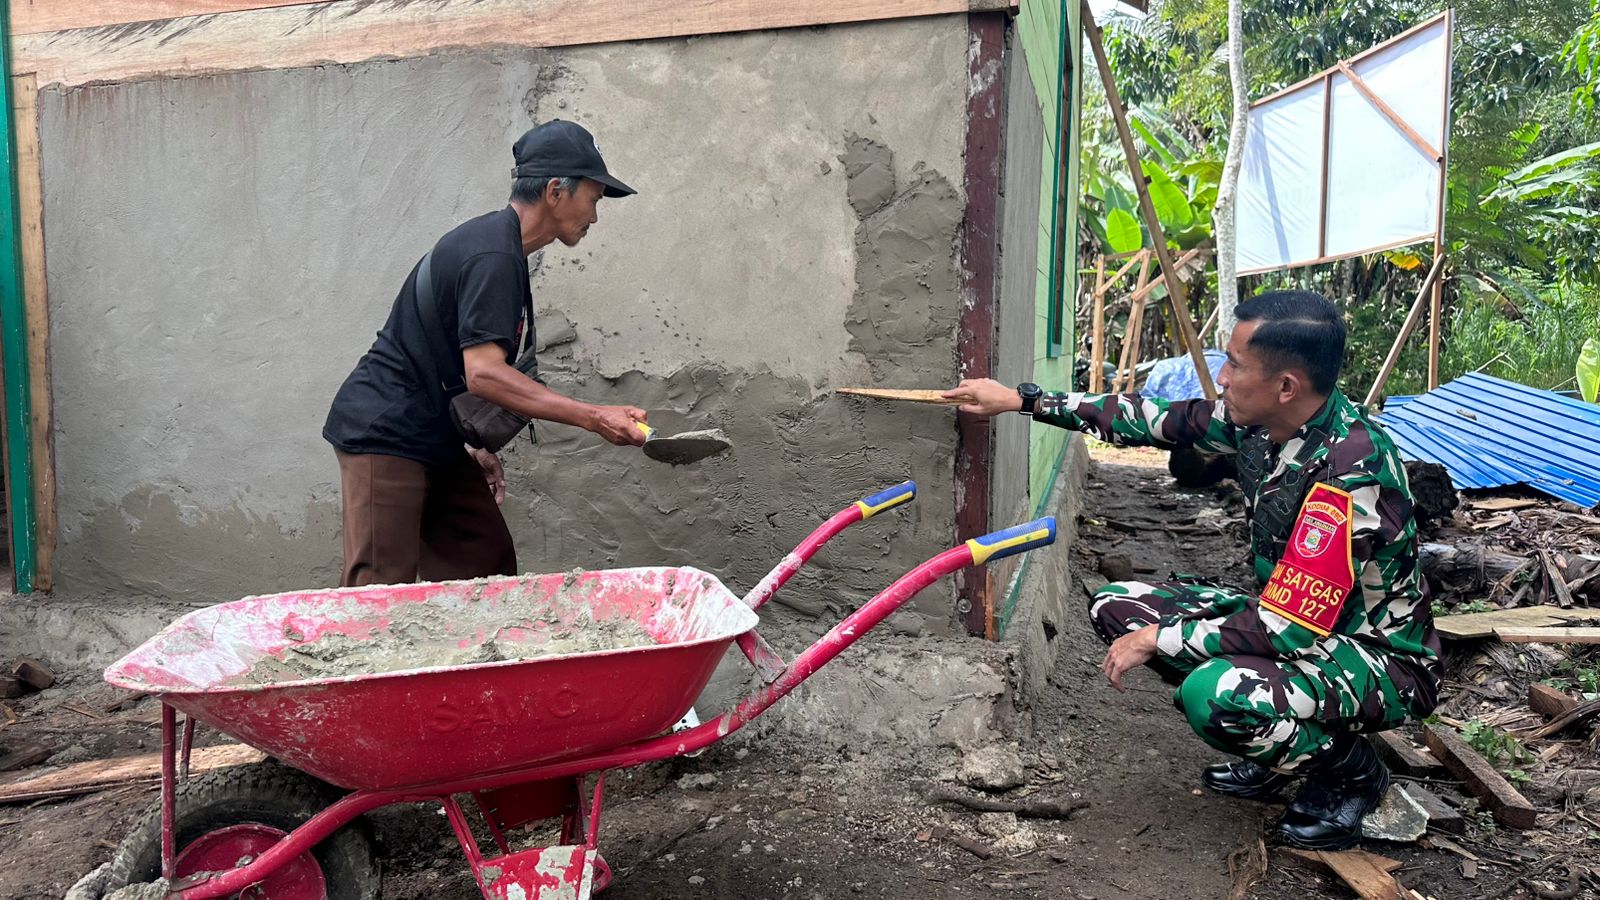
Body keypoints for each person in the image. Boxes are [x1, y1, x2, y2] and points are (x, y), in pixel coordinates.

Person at [942, 290, 1441, 850]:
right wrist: (1020, 400)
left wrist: (1165, 638)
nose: (1221, 378)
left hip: (1375, 657)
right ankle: (1274, 742)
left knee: (1214, 693)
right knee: (1119, 607)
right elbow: (1154, 420)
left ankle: (1350, 772)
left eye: (1234, 364)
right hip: (1293, 623)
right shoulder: (1261, 422)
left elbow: (1290, 628)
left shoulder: (1350, 472)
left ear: (1286, 386)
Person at [323, 119, 648, 588]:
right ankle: (361, 663)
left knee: (482, 558)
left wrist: (469, 444)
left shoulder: (503, 250)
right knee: (378, 589)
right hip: (386, 432)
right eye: (593, 199)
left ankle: (469, 662)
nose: (594, 216)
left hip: (432, 434)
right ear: (556, 191)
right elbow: (484, 375)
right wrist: (594, 416)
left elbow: (450, 360)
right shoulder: (492, 255)